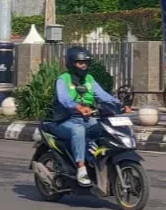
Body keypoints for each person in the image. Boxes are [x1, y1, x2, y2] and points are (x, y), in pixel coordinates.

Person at [51, 46, 122, 186]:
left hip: (87, 118)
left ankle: (96, 160)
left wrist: (119, 104)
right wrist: (77, 107)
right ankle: (81, 168)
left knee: (105, 128)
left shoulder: (89, 79)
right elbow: (63, 98)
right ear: (72, 63)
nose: (83, 66)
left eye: (86, 63)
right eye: (80, 63)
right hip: (64, 120)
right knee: (78, 130)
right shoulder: (63, 79)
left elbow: (103, 95)